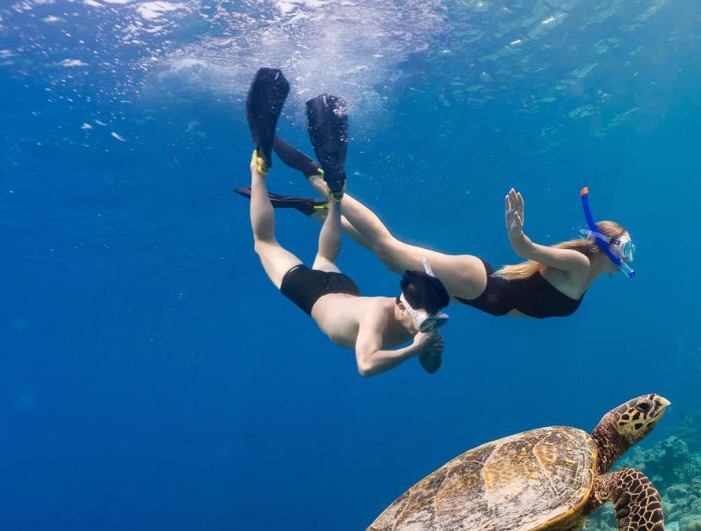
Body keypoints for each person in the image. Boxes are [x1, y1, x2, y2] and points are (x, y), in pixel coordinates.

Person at [242, 131, 637, 319]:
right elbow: (527, 251)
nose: (628, 254)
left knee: (384, 252)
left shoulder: (585, 277)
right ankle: (318, 177)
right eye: (625, 245)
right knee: (388, 248)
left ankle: (317, 209)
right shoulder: (581, 265)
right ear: (605, 245)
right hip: (479, 282)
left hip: (475, 293)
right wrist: (517, 232)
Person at [244, 68, 450, 377]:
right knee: (264, 243)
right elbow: (365, 366)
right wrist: (414, 348)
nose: (429, 326)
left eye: (435, 320)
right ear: (401, 306)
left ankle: (336, 199)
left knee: (325, 255)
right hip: (313, 292)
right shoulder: (376, 313)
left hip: (341, 289)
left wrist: (429, 350)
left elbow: (430, 368)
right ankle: (259, 168)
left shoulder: (421, 317)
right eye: (426, 322)